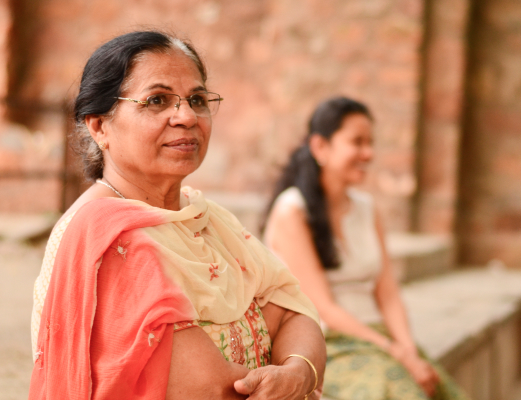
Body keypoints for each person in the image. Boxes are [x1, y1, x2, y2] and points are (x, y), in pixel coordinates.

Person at [30, 31, 325, 400]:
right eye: (157, 100)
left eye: (197, 99)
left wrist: (299, 373)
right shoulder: (105, 237)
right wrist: (287, 384)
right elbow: (207, 386)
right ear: (99, 126)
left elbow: (295, 314)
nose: (186, 116)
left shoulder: (205, 217)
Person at [262, 97, 469, 400]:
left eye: (370, 143)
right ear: (321, 147)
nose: (368, 153)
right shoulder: (292, 211)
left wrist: (408, 349)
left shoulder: (367, 209)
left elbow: (387, 293)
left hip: (378, 340)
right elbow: (324, 308)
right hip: (326, 345)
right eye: (357, 142)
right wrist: (396, 353)